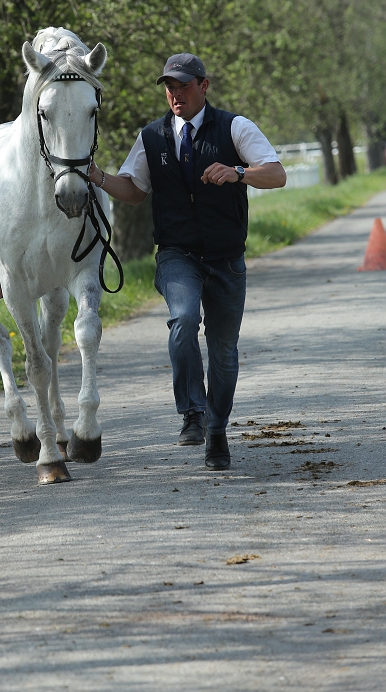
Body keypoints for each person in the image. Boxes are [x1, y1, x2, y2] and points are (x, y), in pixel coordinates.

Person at [89, 53, 286, 470]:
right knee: (182, 319)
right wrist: (98, 176)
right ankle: (191, 413)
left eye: (182, 85)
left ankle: (217, 432)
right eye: (169, 86)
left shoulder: (235, 127)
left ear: (204, 85)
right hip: (177, 254)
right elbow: (135, 189)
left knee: (224, 353)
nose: (174, 94)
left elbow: (276, 173)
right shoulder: (152, 136)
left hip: (227, 258)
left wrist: (238, 171)